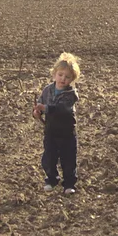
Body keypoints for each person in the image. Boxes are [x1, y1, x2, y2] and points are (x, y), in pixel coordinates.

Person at [32, 52, 82, 194]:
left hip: (67, 132)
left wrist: (45, 108)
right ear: (54, 74)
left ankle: (69, 184)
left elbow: (62, 110)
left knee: (68, 160)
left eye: (67, 77)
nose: (63, 79)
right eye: (60, 75)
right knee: (49, 157)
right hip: (51, 131)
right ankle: (52, 179)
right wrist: (37, 112)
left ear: (72, 79)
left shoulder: (71, 95)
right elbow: (41, 105)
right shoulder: (47, 90)